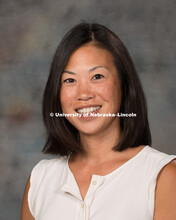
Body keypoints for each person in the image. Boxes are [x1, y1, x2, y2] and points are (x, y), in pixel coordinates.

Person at [21, 22, 176, 220]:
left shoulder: (162, 176)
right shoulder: (40, 180)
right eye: (69, 80)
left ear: (124, 84)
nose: (84, 94)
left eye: (97, 76)